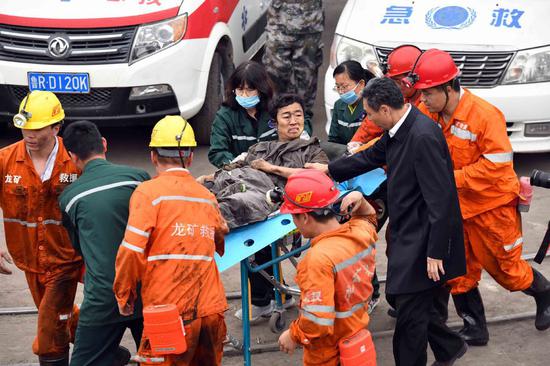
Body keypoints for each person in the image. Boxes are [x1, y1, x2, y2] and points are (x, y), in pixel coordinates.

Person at [307, 77, 467, 366]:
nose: (367, 119)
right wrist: (330, 171)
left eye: (368, 113)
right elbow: (372, 155)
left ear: (384, 109)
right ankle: (449, 346)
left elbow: (441, 201)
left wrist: (436, 251)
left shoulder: (422, 137)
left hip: (425, 237)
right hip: (408, 230)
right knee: (406, 299)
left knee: (408, 315)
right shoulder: (399, 128)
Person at [412, 49, 550, 344]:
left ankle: (546, 295)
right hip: (455, 209)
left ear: (449, 89)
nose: (422, 100)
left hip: (491, 206)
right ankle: (475, 327)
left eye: (427, 93)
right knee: (458, 272)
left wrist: (448, 180)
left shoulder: (484, 116)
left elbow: (496, 166)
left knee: (507, 270)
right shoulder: (428, 112)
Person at [113, 116, 229, 365]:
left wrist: (124, 294)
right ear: (189, 157)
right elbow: (220, 237)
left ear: (153, 156)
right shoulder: (207, 197)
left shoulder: (148, 193)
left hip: (169, 311)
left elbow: (132, 250)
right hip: (210, 309)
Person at [202, 94, 328, 321]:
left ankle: (261, 298)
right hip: (248, 192)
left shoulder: (311, 150)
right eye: (286, 116)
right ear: (275, 122)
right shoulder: (260, 148)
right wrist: (206, 180)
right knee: (206, 192)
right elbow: (235, 167)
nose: (293, 121)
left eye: (298, 115)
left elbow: (316, 175)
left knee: (235, 210)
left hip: (281, 205)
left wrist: (272, 168)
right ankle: (265, 297)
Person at [0, 91, 82, 366]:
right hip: (30, 261)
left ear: (56, 128)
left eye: (36, 129)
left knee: (49, 330)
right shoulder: (6, 160)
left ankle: (55, 357)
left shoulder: (74, 160)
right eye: (24, 127)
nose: (29, 135)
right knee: (60, 316)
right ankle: (100, 345)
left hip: (66, 260)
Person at [58, 121, 150, 366]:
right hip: (148, 292)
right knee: (162, 360)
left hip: (104, 298)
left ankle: (110, 356)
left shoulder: (69, 197)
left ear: (72, 156)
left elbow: (80, 248)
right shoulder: (138, 179)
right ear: (105, 144)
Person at [277, 170, 378, 365]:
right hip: (356, 341)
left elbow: (317, 322)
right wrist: (361, 201)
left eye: (294, 217)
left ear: (305, 217)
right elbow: (369, 218)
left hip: (328, 355)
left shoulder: (317, 260)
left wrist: (292, 335)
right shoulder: (360, 233)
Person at [208, 61, 312, 168]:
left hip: (281, 166)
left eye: (250, 90)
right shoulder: (225, 116)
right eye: (240, 90)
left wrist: (301, 137)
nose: (244, 95)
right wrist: (236, 164)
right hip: (243, 174)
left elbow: (302, 119)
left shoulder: (277, 106)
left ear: (261, 88)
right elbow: (217, 152)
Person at [351, 44, 421, 147]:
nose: (395, 86)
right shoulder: (399, 95)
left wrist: (361, 150)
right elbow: (372, 122)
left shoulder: (427, 106)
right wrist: (355, 143)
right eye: (392, 81)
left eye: (398, 81)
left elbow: (396, 139)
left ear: (412, 78)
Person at [262, 0, 324, 116]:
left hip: (309, 23)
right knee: (275, 69)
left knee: (306, 73)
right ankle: (280, 107)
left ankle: (302, 113)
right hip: (278, 21)